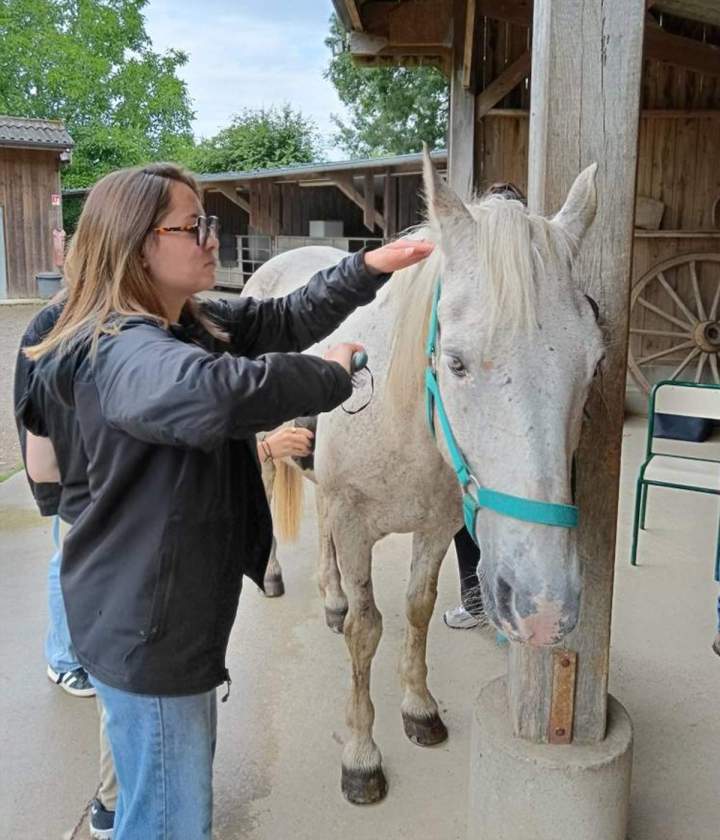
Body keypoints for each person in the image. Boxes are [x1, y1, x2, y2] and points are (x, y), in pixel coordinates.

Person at [23, 162, 433, 839]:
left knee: (164, 804)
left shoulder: (185, 319)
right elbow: (216, 392)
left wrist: (371, 268)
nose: (212, 238)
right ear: (136, 245)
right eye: (192, 226)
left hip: (160, 619)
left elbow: (282, 316)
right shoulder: (122, 348)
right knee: (169, 823)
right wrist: (330, 377)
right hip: (149, 632)